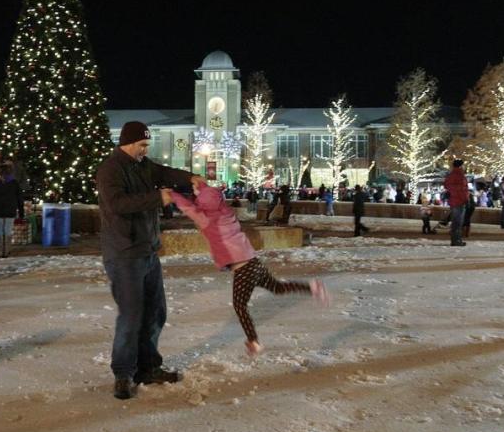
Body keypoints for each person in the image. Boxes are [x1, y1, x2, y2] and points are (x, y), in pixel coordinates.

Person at [95, 121, 203, 400]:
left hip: (147, 251)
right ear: (128, 143)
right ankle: (123, 374)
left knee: (155, 311)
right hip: (124, 253)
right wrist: (157, 197)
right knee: (131, 315)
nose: (145, 150)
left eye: (146, 145)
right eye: (142, 145)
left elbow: (164, 172)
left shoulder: (142, 165)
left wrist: (190, 178)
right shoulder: (111, 169)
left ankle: (148, 368)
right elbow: (117, 203)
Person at [170, 183, 329, 356]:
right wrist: (200, 186)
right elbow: (211, 195)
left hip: (243, 268)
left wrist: (171, 194)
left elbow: (188, 208)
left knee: (240, 306)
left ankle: (253, 341)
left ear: (202, 202)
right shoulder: (225, 211)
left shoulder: (206, 220)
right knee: (277, 288)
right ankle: (312, 287)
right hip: (254, 262)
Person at [0, 164, 24, 258]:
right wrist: (21, 211)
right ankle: (6, 251)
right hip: (10, 210)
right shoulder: (14, 183)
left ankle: (0, 251)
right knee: (8, 230)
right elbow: (19, 198)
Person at [443, 159, 469, 246]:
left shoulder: (451, 175)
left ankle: (455, 240)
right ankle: (456, 240)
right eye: (463, 165)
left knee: (455, 221)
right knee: (458, 222)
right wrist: (465, 199)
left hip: (453, 201)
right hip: (459, 201)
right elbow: (462, 190)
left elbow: (447, 185)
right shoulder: (460, 176)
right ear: (460, 166)